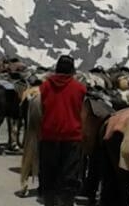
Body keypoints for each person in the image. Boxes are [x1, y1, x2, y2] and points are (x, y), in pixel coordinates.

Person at [38, 55, 87, 206]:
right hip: (71, 138)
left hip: (48, 138)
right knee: (69, 177)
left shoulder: (44, 86)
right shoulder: (80, 88)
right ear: (72, 70)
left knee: (48, 175)